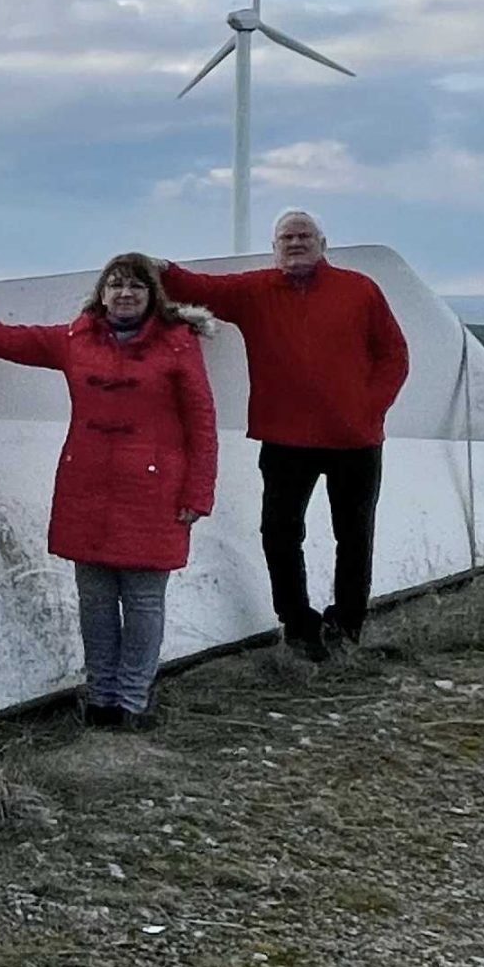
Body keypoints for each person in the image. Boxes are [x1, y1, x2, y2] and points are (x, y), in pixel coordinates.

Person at [0, 255, 217, 728]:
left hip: (154, 492)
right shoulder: (75, 340)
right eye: (115, 285)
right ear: (101, 293)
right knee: (95, 601)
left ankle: (133, 702)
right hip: (88, 489)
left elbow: (202, 423)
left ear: (152, 296)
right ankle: (101, 700)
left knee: (142, 601)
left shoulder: (178, 345)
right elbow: (9, 341)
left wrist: (197, 495)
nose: (124, 294)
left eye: (136, 287)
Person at [158, 209, 409, 659]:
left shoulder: (360, 289)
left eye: (304, 236)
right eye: (286, 238)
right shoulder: (255, 290)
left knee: (354, 536)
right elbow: (201, 289)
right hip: (284, 439)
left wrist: (370, 408)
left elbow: (393, 353)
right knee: (278, 532)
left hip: (356, 440)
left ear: (322, 243)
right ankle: (298, 626)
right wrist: (160, 271)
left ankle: (347, 625)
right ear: (274, 248)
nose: (295, 243)